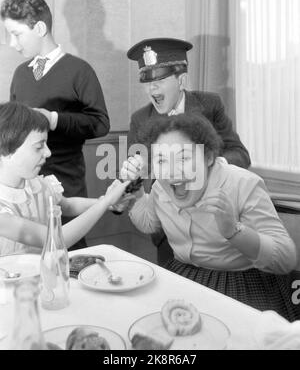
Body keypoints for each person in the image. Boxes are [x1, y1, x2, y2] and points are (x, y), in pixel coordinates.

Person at [120, 113, 299, 321]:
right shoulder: (161, 187)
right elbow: (147, 222)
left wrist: (234, 231)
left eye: (184, 158)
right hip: (183, 277)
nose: (171, 171)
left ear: (208, 157)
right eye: (161, 160)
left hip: (242, 284)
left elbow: (286, 259)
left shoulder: (243, 184)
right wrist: (136, 188)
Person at [127, 37, 251, 265]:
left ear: (181, 80)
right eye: (146, 82)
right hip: (168, 231)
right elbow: (132, 180)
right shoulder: (140, 120)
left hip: (217, 227)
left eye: (160, 80)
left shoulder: (210, 105)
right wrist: (131, 178)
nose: (151, 88)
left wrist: (204, 167)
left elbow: (240, 156)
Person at [0, 0, 110, 250]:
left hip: (65, 181)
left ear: (39, 28)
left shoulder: (79, 70)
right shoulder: (20, 74)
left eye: (16, 34)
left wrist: (54, 120)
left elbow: (100, 123)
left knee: (68, 246)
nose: (12, 44)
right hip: (22, 184)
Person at [0, 102, 129, 256]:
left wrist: (108, 203)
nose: (48, 153)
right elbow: (57, 238)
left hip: (44, 274)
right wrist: (105, 202)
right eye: (38, 147)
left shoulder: (37, 184)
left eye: (46, 144)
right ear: (6, 151)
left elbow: (67, 205)